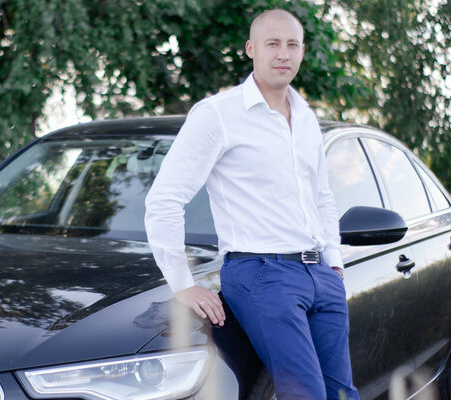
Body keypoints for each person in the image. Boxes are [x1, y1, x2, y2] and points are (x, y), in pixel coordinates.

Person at [144, 9, 359, 400]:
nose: (283, 54)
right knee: (305, 394)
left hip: (319, 274)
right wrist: (182, 284)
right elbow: (165, 197)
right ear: (251, 49)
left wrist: (335, 262)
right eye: (272, 44)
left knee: (342, 392)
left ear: (302, 51)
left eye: (292, 44)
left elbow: (322, 196)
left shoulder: (307, 117)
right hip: (261, 273)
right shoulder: (218, 116)